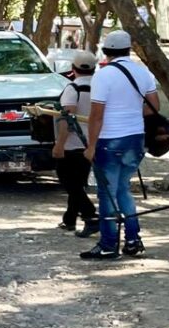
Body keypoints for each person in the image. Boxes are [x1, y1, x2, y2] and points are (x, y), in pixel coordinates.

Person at [82, 30, 158, 259]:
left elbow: (97, 115)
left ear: (106, 52)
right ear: (129, 49)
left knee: (107, 194)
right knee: (123, 189)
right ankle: (133, 240)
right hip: (136, 139)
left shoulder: (103, 76)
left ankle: (108, 244)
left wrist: (91, 145)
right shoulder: (142, 72)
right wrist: (132, 111)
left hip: (110, 139)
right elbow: (152, 106)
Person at [53, 52, 98, 237]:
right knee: (78, 183)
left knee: (70, 183)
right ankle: (69, 220)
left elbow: (67, 118)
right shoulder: (99, 89)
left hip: (72, 144)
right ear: (95, 69)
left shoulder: (72, 89)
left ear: (73, 69)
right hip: (90, 143)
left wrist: (59, 144)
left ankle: (91, 215)